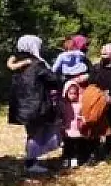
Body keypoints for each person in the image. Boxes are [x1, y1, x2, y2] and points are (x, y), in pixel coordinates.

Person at [8, 35, 63, 175]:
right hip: (35, 104)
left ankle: (32, 160)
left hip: (21, 105)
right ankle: (31, 162)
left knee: (31, 133)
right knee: (36, 134)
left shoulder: (17, 62)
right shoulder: (36, 64)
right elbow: (53, 80)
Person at [61, 80, 88, 169]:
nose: (73, 96)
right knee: (67, 146)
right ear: (66, 93)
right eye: (70, 93)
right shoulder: (64, 105)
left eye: (75, 93)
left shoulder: (80, 105)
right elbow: (62, 117)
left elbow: (82, 115)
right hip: (67, 129)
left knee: (76, 146)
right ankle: (65, 159)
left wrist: (83, 120)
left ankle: (74, 159)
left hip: (76, 129)